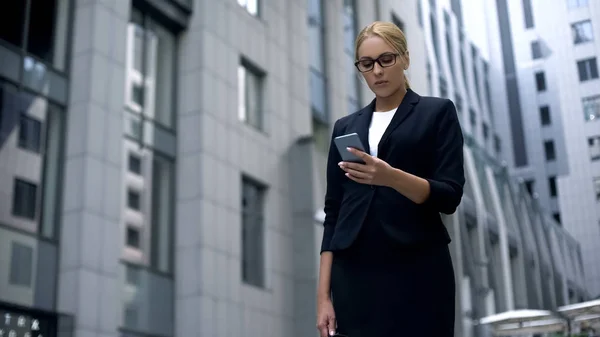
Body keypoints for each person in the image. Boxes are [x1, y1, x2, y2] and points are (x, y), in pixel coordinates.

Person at [316, 21, 465, 337]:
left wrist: (391, 177)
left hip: (418, 269)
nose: (378, 71)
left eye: (387, 59)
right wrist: (323, 298)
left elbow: (450, 195)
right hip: (353, 273)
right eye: (367, 64)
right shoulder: (345, 127)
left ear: (405, 59)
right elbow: (334, 214)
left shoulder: (437, 112)